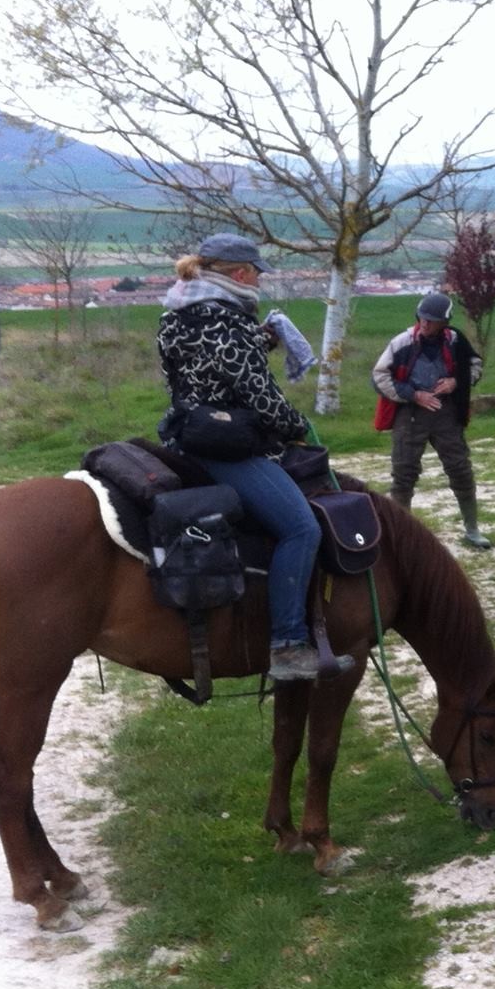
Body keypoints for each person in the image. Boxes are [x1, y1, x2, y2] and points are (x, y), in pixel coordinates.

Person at [156, 232, 337, 682]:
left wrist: (258, 343)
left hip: (183, 437)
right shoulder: (228, 322)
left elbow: (201, 371)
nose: (258, 280)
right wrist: (297, 427)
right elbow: (260, 396)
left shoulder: (173, 316)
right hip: (225, 448)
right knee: (301, 527)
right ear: (240, 274)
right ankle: (288, 645)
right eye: (256, 272)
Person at [372, 292, 491, 549]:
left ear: (444, 322)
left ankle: (472, 530)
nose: (425, 324)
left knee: (460, 469)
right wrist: (413, 395)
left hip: (447, 414)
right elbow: (380, 376)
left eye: (432, 320)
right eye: (422, 318)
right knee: (404, 474)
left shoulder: (455, 341)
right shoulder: (402, 343)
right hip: (410, 415)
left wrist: (456, 382)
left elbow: (475, 365)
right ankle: (400, 538)